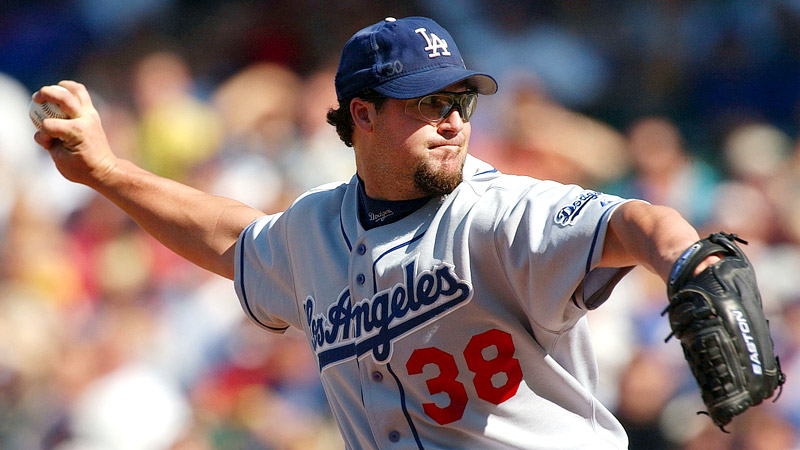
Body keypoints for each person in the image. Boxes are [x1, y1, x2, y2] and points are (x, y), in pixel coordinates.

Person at [33, 16, 719, 450]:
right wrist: (107, 173)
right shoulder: (312, 230)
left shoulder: (498, 212)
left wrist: (690, 260)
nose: (452, 119)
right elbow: (231, 241)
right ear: (361, 114)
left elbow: (635, 221)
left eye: (460, 100)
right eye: (427, 103)